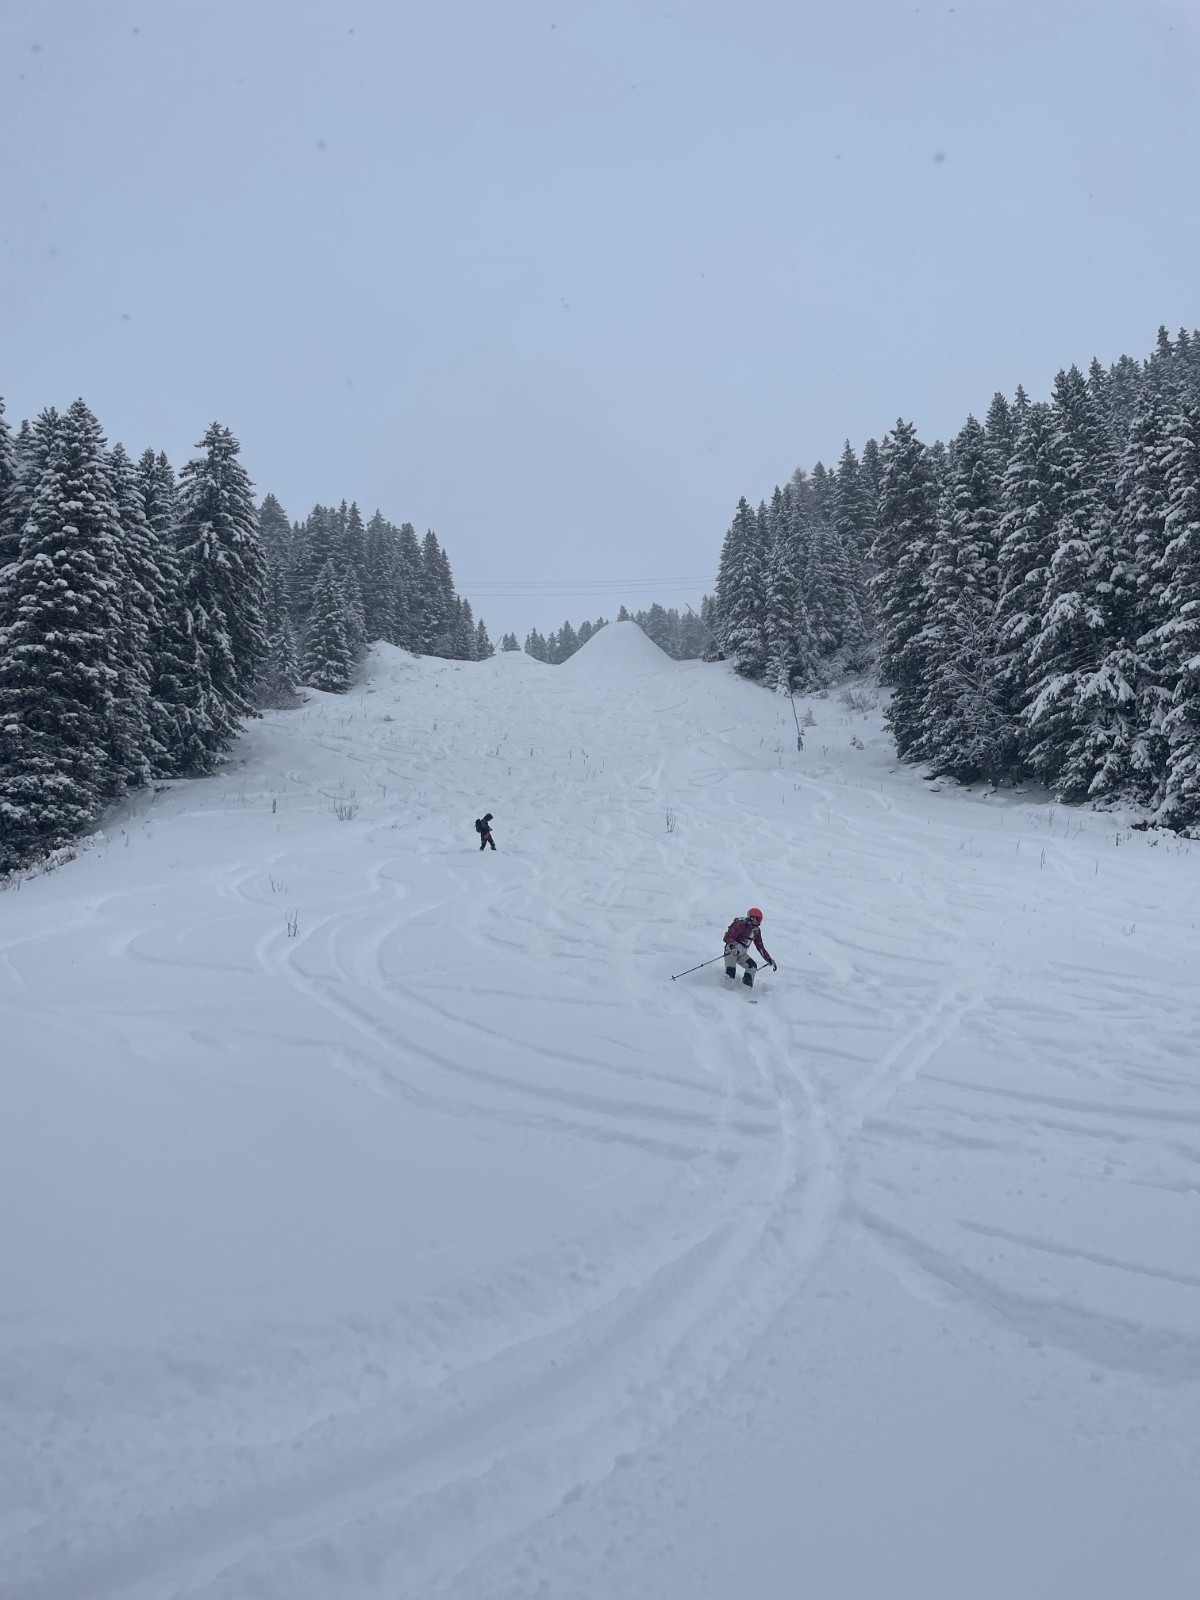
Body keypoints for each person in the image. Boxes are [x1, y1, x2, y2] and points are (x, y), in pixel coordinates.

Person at [722, 906, 776, 987]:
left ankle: (745, 989)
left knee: (752, 966)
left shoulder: (756, 931)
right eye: (755, 919)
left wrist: (768, 959)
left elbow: (760, 946)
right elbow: (729, 937)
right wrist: (732, 947)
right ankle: (725, 990)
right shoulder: (742, 924)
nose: (757, 922)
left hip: (741, 953)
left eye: (759, 919)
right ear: (750, 917)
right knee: (731, 972)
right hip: (731, 951)